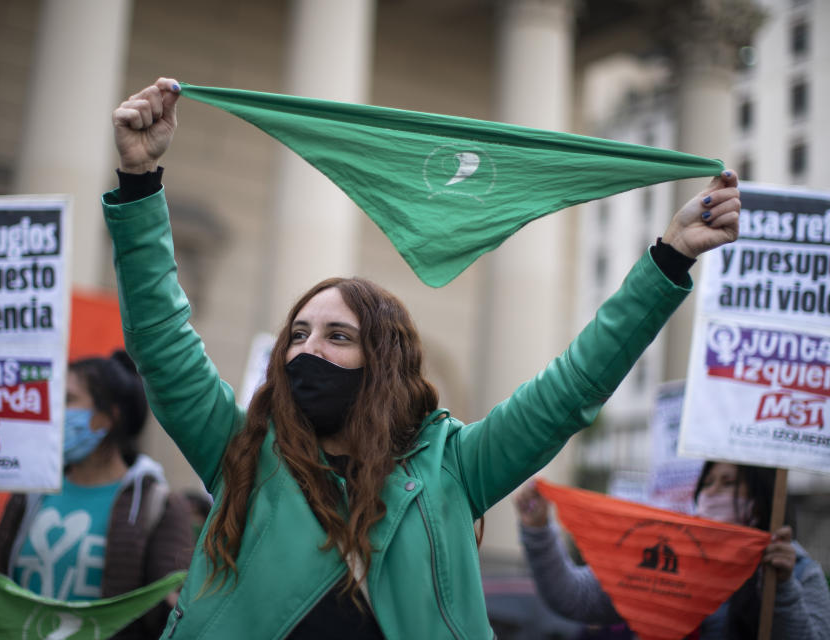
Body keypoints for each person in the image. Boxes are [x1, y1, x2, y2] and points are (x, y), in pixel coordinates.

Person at [103, 77, 741, 640]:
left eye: (337, 336)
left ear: (383, 364)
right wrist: (138, 183)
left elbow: (572, 386)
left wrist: (669, 257)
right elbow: (163, 341)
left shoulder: (456, 467)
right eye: (297, 335)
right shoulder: (241, 450)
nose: (306, 350)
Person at [0, 351, 194, 639]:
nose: (53, 411)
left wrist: (180, 605)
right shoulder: (30, 493)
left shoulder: (158, 505)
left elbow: (170, 614)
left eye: (67, 400)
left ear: (106, 418)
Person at [514, 462, 830, 639]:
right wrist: (538, 531)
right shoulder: (676, 558)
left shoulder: (799, 573)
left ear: (761, 499)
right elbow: (572, 597)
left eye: (728, 483)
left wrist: (782, 587)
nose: (712, 492)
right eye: (707, 483)